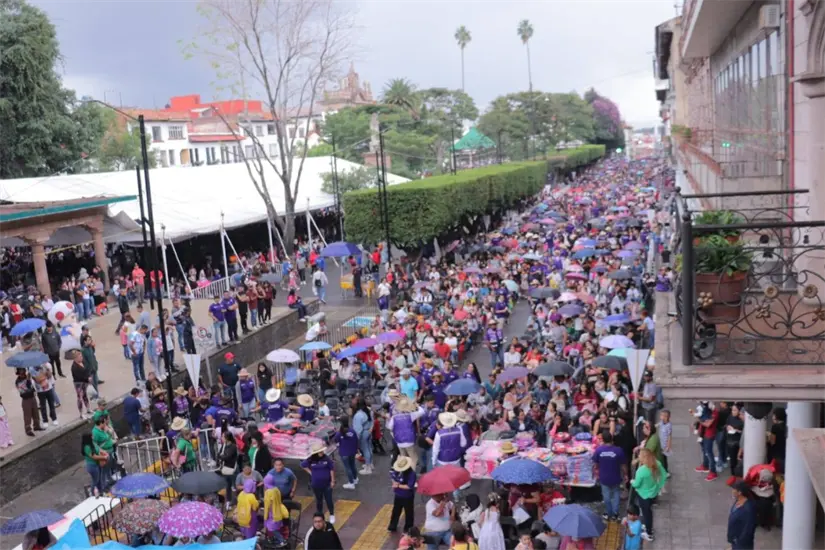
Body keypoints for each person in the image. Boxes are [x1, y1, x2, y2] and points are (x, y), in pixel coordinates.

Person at [630, 448, 666, 542]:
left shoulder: (641, 471)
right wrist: (659, 486)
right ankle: (647, 525)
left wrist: (632, 481)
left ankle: (649, 533)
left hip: (643, 495)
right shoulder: (656, 463)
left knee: (647, 513)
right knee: (648, 511)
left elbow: (637, 484)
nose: (638, 457)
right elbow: (664, 474)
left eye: (639, 456)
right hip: (653, 493)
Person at [592, 432, 626, 521]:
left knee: (606, 496)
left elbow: (595, 464)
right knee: (616, 494)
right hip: (616, 477)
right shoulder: (618, 450)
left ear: (602, 439)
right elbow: (623, 465)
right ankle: (616, 513)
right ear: (612, 439)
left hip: (604, 477)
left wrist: (596, 470)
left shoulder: (599, 450)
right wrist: (626, 474)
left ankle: (608, 512)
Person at [301, 442, 336, 524]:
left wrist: (332, 481)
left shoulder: (326, 458)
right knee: (319, 500)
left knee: (329, 500)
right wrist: (311, 472)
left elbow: (331, 469)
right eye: (320, 452)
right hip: (316, 485)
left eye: (322, 451)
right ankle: (320, 516)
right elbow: (303, 465)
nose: (322, 453)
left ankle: (332, 514)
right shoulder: (310, 459)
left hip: (327, 484)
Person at [387, 456, 417, 533]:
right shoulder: (396, 470)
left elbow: (409, 486)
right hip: (398, 495)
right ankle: (392, 525)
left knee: (409, 512)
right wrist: (394, 482)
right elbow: (392, 476)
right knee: (396, 511)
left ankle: (408, 528)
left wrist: (398, 485)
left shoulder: (411, 474)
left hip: (407, 496)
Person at [727, 480, 757, 550]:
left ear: (740, 492)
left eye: (734, 489)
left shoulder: (749, 509)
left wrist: (739, 542)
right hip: (735, 540)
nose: (732, 491)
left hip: (742, 544)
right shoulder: (738, 501)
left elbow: (748, 528)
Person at [262, 475, 289, 541]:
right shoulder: (276, 489)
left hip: (272, 514)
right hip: (278, 512)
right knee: (276, 528)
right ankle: (275, 539)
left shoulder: (268, 492)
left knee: (272, 529)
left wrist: (265, 517)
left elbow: (267, 506)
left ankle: (281, 540)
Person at [335, 417, 359, 490]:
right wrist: (357, 450)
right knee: (353, 465)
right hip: (352, 452)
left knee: (347, 468)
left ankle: (351, 483)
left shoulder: (339, 433)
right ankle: (355, 479)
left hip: (344, 453)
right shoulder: (352, 431)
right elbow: (356, 441)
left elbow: (336, 440)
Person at [218, 430, 239, 507]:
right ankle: (229, 502)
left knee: (235, 486)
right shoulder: (223, 445)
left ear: (227, 438)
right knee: (227, 486)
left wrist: (221, 456)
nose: (221, 438)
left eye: (223, 436)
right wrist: (221, 456)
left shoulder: (233, 446)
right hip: (225, 469)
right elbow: (219, 455)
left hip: (232, 469)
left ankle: (236, 501)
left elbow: (227, 457)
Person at [353, 397, 373, 475]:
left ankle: (368, 468)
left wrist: (357, 439)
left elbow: (358, 430)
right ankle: (370, 464)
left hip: (363, 433)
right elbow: (372, 422)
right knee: (369, 448)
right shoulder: (368, 411)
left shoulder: (358, 415)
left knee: (365, 450)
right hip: (368, 431)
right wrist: (370, 429)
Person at [70, 350, 93, 419]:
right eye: (80, 356)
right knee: (80, 397)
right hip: (79, 383)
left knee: (85, 396)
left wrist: (89, 376)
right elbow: (79, 376)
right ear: (75, 358)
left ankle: (88, 409)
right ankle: (81, 413)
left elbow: (87, 370)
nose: (81, 357)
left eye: (81, 356)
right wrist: (87, 379)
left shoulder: (82, 362)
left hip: (85, 382)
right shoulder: (74, 367)